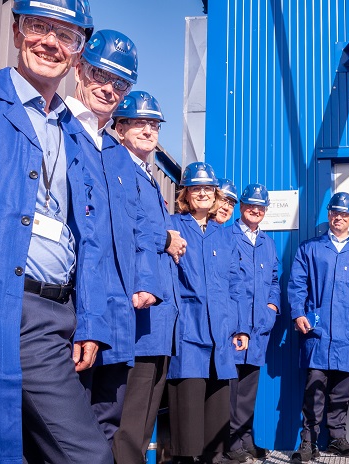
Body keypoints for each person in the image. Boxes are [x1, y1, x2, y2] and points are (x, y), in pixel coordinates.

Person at [0, 1, 115, 462]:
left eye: (66, 35)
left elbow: (90, 239)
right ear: (16, 32)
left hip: (60, 316)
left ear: (77, 53)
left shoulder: (77, 135)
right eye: (39, 26)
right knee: (86, 454)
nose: (51, 42)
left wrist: (89, 320)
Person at [65, 29, 162, 443]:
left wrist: (145, 280)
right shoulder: (59, 128)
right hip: (72, 307)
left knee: (108, 420)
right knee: (67, 424)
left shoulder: (117, 155)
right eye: (99, 75)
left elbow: (141, 228)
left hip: (119, 309)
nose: (108, 88)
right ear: (79, 70)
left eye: (120, 82)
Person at [111, 90, 186, 463]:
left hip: (158, 317)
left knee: (145, 415)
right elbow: (127, 228)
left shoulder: (148, 175)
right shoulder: (116, 165)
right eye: (139, 122)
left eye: (154, 124)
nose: (148, 130)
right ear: (120, 127)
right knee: (131, 415)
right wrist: (166, 236)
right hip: (139, 313)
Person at [167, 162, 250, 464]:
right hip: (187, 333)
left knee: (216, 426)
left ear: (216, 195)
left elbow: (236, 284)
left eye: (208, 189)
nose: (202, 193)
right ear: (186, 194)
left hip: (221, 335)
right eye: (195, 188)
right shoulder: (172, 226)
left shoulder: (226, 236)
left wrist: (240, 327)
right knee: (187, 428)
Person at [288, 192, 349, 462]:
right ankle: (308, 441)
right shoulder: (310, 248)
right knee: (314, 387)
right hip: (317, 331)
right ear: (328, 214)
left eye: (344, 213)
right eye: (334, 212)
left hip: (348, 331)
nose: (338, 217)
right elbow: (297, 284)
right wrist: (298, 313)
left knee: (341, 389)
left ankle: (337, 438)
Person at [224, 183, 281, 463]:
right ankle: (230, 441)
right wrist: (237, 324)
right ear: (241, 207)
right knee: (232, 386)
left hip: (260, 326)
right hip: (236, 325)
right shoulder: (227, 237)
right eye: (250, 206)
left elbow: (274, 280)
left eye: (261, 207)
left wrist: (272, 307)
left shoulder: (268, 243)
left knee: (248, 387)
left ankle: (245, 438)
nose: (255, 210)